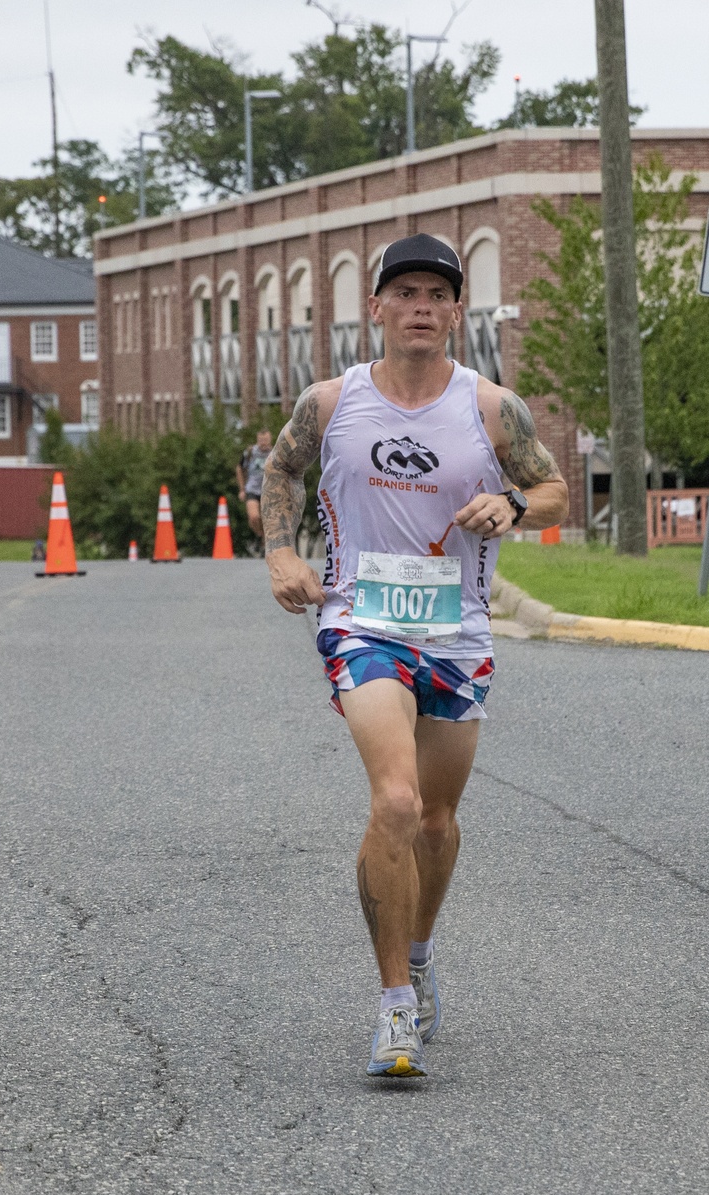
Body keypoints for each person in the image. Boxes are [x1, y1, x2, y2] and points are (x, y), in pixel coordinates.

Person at [261, 233, 567, 1080]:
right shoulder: (332, 402)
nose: (423, 307)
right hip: (362, 619)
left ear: (457, 310)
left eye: (439, 294)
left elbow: (551, 489)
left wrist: (511, 504)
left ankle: (421, 951)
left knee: (436, 820)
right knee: (394, 799)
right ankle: (394, 1004)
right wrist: (283, 557)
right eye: (407, 293)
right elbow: (281, 472)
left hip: (457, 630)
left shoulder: (493, 407)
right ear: (380, 308)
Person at [236, 428, 272, 547]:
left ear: (270, 440)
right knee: (254, 516)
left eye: (265, 440)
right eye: (261, 440)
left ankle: (266, 539)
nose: (263, 443)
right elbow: (239, 468)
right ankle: (261, 534)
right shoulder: (250, 452)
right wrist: (242, 488)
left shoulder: (274, 453)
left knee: (268, 518)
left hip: (269, 490)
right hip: (252, 489)